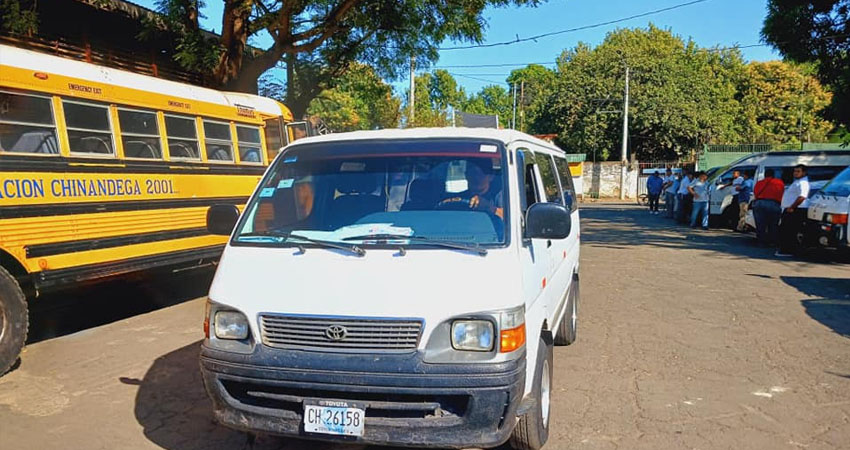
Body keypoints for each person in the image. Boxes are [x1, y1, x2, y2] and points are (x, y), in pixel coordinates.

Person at [776, 164, 810, 256]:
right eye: (795, 171)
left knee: (789, 231)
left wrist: (792, 207)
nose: (795, 173)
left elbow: (802, 196)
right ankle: (786, 249)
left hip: (796, 210)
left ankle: (788, 250)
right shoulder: (797, 182)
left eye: (798, 171)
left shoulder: (803, 183)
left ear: (804, 172)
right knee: (785, 230)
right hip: (789, 209)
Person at [752, 169, 785, 245]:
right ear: (773, 175)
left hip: (760, 203)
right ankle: (772, 241)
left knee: (760, 224)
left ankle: (761, 242)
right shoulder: (779, 182)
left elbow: (755, 193)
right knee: (773, 224)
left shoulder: (759, 183)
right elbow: (781, 193)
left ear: (765, 175)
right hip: (774, 203)